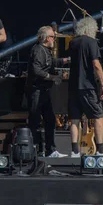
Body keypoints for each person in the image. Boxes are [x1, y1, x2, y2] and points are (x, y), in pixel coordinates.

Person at [67, 17, 103, 157]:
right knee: (99, 116)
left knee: (74, 118)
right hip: (87, 86)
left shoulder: (73, 42)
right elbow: (96, 65)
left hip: (73, 85)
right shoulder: (91, 42)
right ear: (88, 29)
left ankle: (74, 151)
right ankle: (101, 151)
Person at [26, 25, 69, 157]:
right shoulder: (38, 50)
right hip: (36, 91)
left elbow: (50, 63)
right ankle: (33, 151)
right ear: (45, 38)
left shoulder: (45, 50)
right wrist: (52, 77)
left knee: (50, 120)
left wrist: (65, 60)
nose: (54, 39)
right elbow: (36, 70)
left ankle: (50, 150)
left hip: (44, 90)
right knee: (35, 121)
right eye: (52, 37)